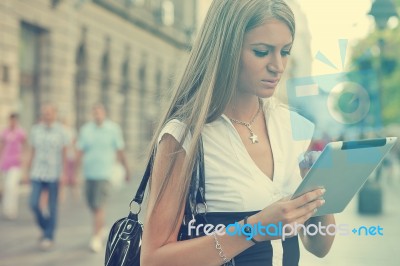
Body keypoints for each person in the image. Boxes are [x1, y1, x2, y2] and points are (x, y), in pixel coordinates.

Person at [140, 1, 335, 265]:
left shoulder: (292, 126)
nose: (277, 65)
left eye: (285, 51)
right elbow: (154, 259)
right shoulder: (185, 136)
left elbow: (319, 246)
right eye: (262, 51)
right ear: (227, 50)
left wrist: (319, 197)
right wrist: (254, 229)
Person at [77, 103, 130, 253]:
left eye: (99, 112)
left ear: (104, 113)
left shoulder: (113, 129)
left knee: (99, 206)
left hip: (104, 174)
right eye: (94, 113)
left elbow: (120, 150)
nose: (97, 115)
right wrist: (74, 173)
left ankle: (96, 237)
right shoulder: (85, 130)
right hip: (88, 174)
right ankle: (100, 227)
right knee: (92, 205)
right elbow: (80, 152)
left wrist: (126, 169)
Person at [26, 104, 69, 250]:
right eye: (44, 113)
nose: (46, 115)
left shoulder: (61, 131)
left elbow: (64, 153)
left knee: (52, 206)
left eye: (49, 113)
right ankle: (45, 227)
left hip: (54, 173)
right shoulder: (35, 130)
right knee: (33, 204)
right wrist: (27, 170)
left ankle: (49, 236)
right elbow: (31, 151)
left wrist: (63, 173)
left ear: (55, 114)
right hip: (37, 172)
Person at [0, 113, 26, 220]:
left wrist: (24, 160)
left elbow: (25, 146)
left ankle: (12, 209)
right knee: (6, 186)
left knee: (12, 186)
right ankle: (6, 208)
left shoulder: (20, 132)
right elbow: (1, 146)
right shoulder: (5, 132)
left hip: (16, 163)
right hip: (5, 163)